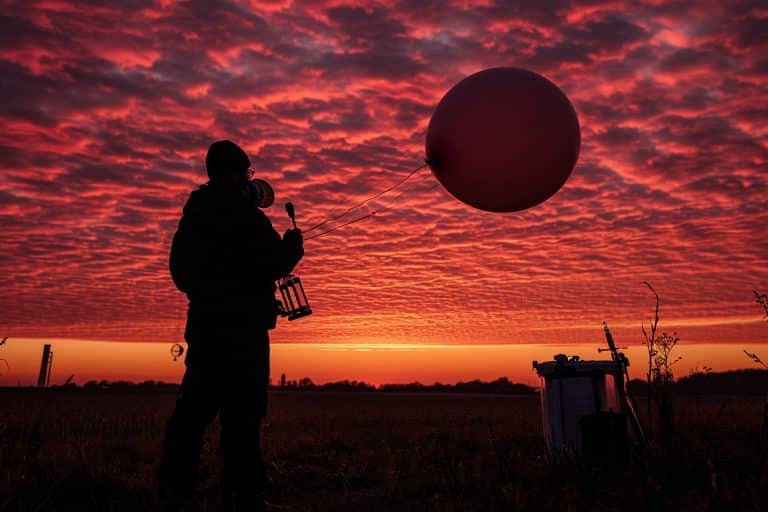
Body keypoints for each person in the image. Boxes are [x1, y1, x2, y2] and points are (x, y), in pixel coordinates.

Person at [159, 140, 304, 511]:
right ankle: (243, 496)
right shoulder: (247, 217)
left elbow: (181, 273)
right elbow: (276, 263)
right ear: (239, 175)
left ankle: (174, 490)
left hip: (207, 328)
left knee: (192, 413)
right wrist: (293, 248)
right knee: (243, 417)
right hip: (244, 332)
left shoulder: (195, 214)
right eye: (247, 173)